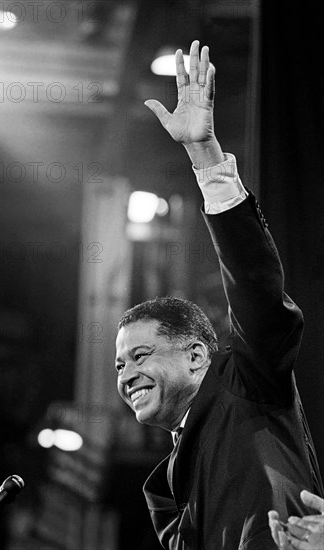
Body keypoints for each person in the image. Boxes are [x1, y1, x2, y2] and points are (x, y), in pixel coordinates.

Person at [114, 40, 324, 549]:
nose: (126, 375)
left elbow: (255, 285)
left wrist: (203, 155)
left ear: (196, 353)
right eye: (119, 365)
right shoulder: (162, 491)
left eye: (139, 355)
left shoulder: (246, 382)